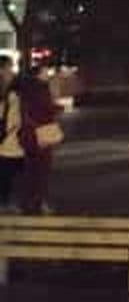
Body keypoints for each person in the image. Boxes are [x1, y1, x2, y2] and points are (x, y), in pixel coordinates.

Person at [19, 63, 62, 214]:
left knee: (31, 170)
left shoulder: (26, 89)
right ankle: (38, 202)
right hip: (41, 134)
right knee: (42, 171)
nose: (47, 74)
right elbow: (46, 109)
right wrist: (57, 107)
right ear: (38, 74)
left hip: (29, 135)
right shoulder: (41, 89)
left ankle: (27, 202)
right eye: (45, 72)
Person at [0, 54, 24, 212]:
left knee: (13, 169)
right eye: (9, 67)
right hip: (6, 137)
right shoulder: (6, 89)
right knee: (6, 171)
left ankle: (6, 201)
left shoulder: (15, 86)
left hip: (14, 136)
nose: (11, 70)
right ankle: (4, 202)